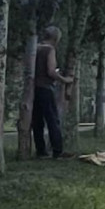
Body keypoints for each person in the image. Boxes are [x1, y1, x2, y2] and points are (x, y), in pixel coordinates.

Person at [33, 26, 74, 159]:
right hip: (45, 87)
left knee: (37, 121)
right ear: (56, 38)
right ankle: (57, 150)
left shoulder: (36, 48)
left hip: (33, 88)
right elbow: (50, 71)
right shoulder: (49, 50)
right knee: (52, 119)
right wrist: (64, 80)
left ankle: (41, 151)